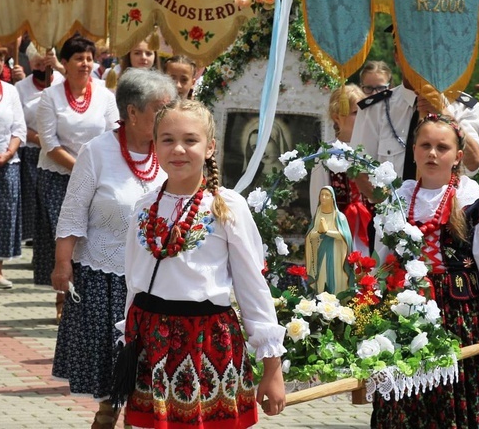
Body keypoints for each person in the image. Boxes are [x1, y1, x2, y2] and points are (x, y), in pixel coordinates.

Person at [115, 99, 285, 428]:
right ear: (155, 144)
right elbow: (133, 283)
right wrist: (128, 345)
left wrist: (272, 368)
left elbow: (253, 288)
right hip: (152, 344)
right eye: (167, 139)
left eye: (190, 140)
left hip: (209, 344)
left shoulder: (226, 207)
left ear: (210, 147)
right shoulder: (144, 207)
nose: (178, 149)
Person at [49, 69, 176, 429]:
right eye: (159, 109)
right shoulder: (97, 152)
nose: (167, 116)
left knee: (150, 365)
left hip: (157, 278)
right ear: (132, 112)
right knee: (110, 364)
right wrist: (62, 264)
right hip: (105, 276)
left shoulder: (170, 151)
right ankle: (107, 417)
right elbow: (72, 211)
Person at [373, 113, 479, 428]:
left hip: (457, 319)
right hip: (404, 317)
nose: (432, 153)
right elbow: (381, 261)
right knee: (403, 403)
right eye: (425, 145)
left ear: (458, 156)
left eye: (442, 147)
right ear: (413, 151)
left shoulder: (472, 201)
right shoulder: (398, 199)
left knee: (452, 398)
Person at [35, 35, 119, 322]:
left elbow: (113, 134)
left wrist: (94, 171)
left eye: (89, 58)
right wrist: (82, 168)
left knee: (91, 235)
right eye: (78, 58)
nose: (85, 64)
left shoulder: (106, 96)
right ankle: (61, 296)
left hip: (98, 178)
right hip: (58, 176)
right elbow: (49, 142)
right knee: (66, 236)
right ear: (65, 63)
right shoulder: (51, 96)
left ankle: (81, 296)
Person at [351, 43, 479, 201]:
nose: (421, 61)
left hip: (447, 217)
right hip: (391, 219)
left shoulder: (463, 107)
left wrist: (444, 114)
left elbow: (474, 162)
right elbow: (360, 171)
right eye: (411, 53)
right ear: (397, 56)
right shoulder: (374, 109)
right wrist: (396, 212)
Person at [309, 84, 371, 255]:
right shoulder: (327, 154)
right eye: (354, 113)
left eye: (363, 111)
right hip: (339, 232)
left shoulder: (373, 149)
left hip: (370, 230)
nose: (361, 117)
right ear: (337, 118)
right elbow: (318, 200)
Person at [15, 44, 65, 243]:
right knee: (33, 202)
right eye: (37, 63)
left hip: (61, 152)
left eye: (45, 63)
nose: (41, 68)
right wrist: (42, 139)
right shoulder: (21, 88)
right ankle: (35, 241)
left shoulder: (62, 81)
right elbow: (18, 122)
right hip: (32, 150)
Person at [0, 39, 26, 289]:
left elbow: (19, 128)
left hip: (7, 164)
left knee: (3, 217)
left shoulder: (11, 91)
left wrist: (8, 152)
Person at [305, 186, 354, 295]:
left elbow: (346, 237)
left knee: (337, 277)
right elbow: (310, 236)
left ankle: (338, 301)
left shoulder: (339, 217)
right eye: (321, 194)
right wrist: (318, 233)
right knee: (322, 277)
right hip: (321, 251)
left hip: (337, 254)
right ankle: (322, 304)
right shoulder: (317, 216)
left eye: (327, 195)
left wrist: (327, 232)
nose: (323, 197)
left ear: (332, 198)